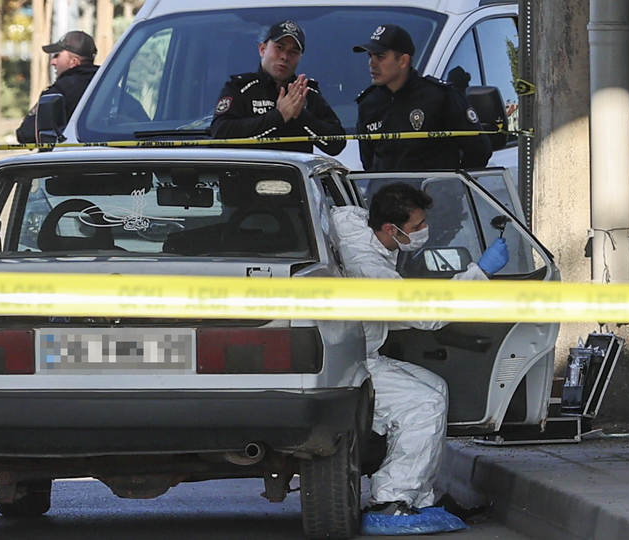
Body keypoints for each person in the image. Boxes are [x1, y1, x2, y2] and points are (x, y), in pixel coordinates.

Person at [329, 183, 507, 531]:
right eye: (416, 227)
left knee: (434, 388)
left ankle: (420, 497)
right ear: (389, 229)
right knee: (422, 404)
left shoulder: (351, 223)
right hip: (350, 363)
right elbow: (425, 314)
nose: (424, 231)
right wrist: (479, 274)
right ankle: (391, 500)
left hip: (358, 353)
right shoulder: (368, 269)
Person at [353, 24, 492, 171]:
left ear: (403, 61)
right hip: (384, 192)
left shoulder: (439, 96)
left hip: (430, 192)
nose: (371, 63)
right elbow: (368, 162)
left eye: (380, 56)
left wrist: (453, 186)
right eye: (370, 56)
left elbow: (479, 149)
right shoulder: (368, 104)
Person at [211, 21, 345, 155]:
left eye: (293, 52)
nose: (285, 57)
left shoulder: (305, 91)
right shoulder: (240, 88)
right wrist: (278, 117)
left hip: (296, 174)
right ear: (262, 49)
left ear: (300, 58)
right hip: (249, 173)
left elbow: (336, 145)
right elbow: (220, 134)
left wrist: (301, 116)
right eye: (279, 47)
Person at [16, 30, 99, 144]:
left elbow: (26, 134)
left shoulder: (60, 92)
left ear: (74, 62)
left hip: (65, 158)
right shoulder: (107, 87)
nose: (53, 62)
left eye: (57, 56)